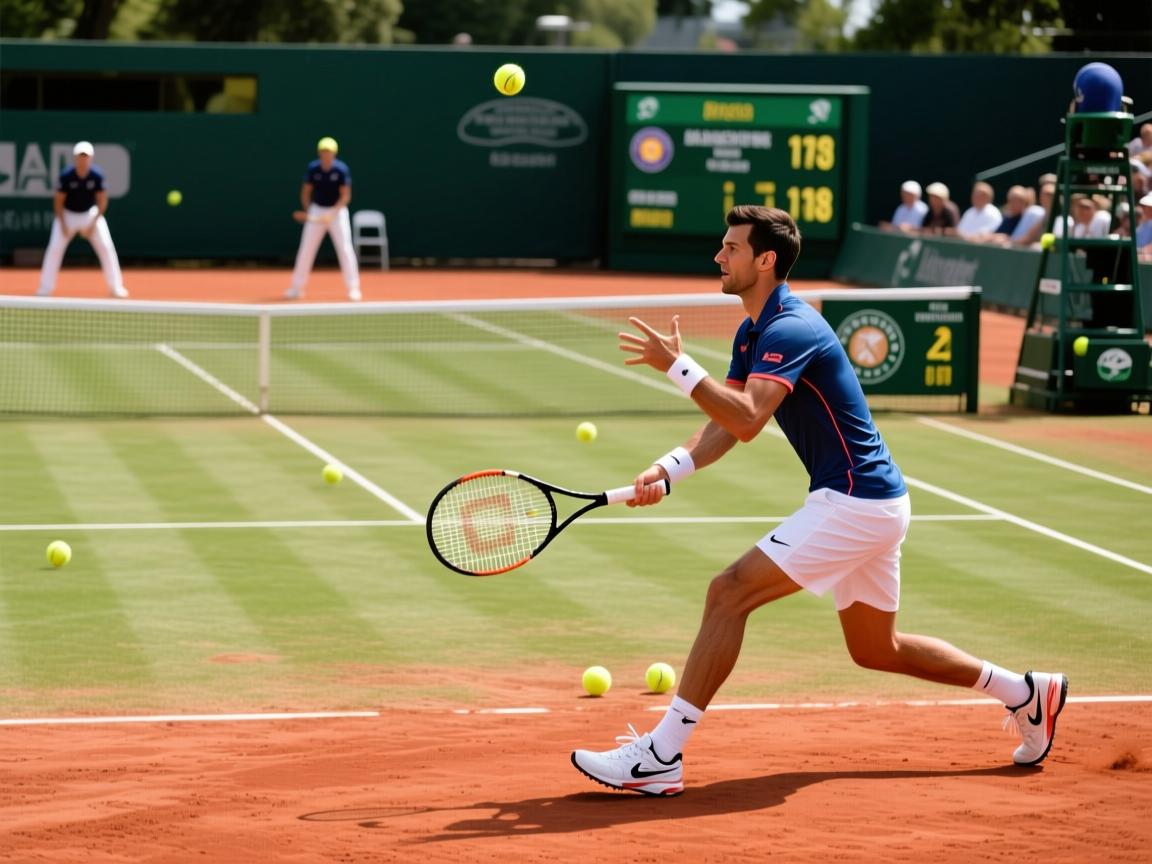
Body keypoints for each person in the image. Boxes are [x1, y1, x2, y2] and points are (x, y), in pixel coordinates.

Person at [570, 205, 1067, 797]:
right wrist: (668, 470)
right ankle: (1026, 693)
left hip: (855, 501)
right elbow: (723, 426)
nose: (718, 257)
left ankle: (661, 754)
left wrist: (677, 367)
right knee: (876, 649)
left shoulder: (790, 327)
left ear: (765, 259)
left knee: (728, 593)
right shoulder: (754, 330)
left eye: (731, 248)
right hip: (874, 501)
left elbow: (750, 419)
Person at [37, 141, 129, 298]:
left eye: (86, 156)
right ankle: (45, 288)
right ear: (75, 158)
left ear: (91, 158)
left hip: (90, 215)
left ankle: (116, 287)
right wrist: (64, 224)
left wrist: (93, 223)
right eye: (80, 156)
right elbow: (58, 202)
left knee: (106, 247)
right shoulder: (66, 176)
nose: (83, 159)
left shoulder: (97, 175)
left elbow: (102, 201)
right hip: (67, 215)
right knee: (54, 249)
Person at [286, 136, 361, 302]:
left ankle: (353, 288)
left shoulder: (341, 170)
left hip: (337, 212)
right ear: (320, 153)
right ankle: (296, 288)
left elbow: (346, 196)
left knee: (345, 249)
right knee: (306, 249)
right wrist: (308, 211)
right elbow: (306, 192)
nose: (326, 155)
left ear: (334, 154)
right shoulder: (313, 169)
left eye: (329, 152)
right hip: (317, 210)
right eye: (323, 152)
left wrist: (332, 213)